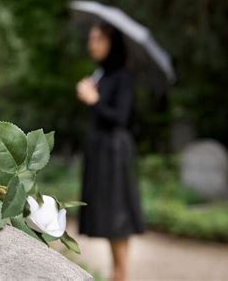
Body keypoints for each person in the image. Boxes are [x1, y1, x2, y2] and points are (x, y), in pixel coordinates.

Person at [76, 20, 145, 281]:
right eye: (91, 38)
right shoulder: (101, 74)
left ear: (111, 43)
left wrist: (93, 100)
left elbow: (120, 118)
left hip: (114, 153)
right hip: (101, 151)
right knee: (108, 217)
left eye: (97, 39)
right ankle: (119, 273)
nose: (91, 44)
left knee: (117, 218)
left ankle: (121, 274)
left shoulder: (123, 76)